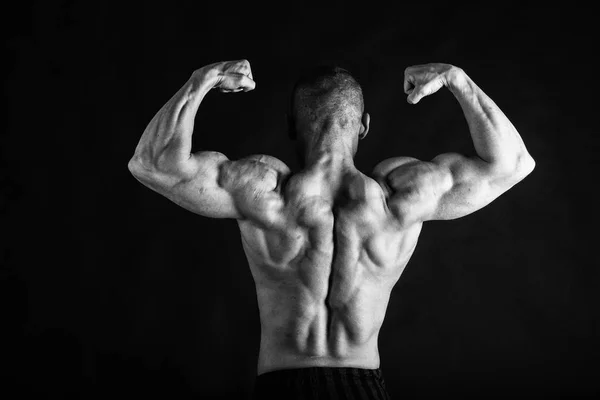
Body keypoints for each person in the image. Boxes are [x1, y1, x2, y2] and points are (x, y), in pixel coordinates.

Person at [128, 59, 535, 399]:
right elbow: (513, 164)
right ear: (364, 125)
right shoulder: (400, 197)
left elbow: (151, 164)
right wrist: (456, 79)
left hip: (281, 387)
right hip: (363, 388)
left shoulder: (262, 192)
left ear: (291, 125)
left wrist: (203, 80)